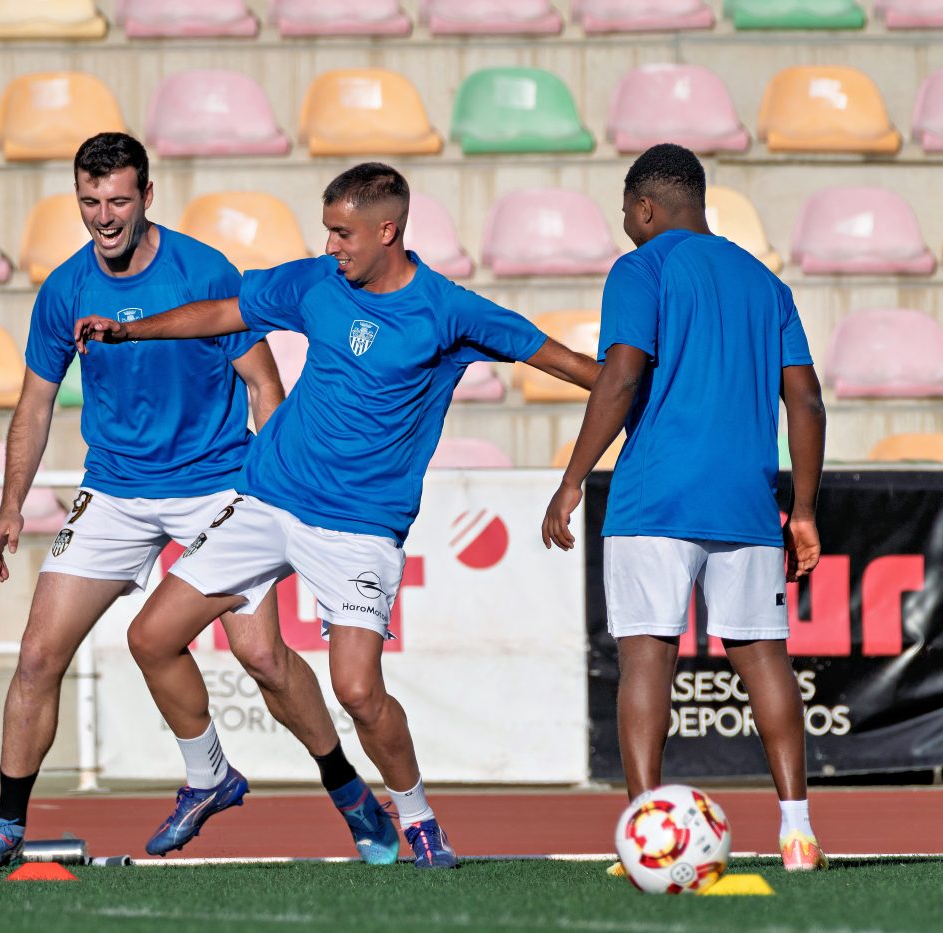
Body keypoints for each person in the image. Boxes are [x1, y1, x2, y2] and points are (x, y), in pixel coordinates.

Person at [75, 162, 600, 868]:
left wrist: (647, 395)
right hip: (269, 497)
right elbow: (226, 312)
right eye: (327, 231)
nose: (331, 246)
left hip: (358, 525)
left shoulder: (450, 312)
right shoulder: (317, 282)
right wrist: (130, 333)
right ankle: (210, 776)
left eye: (343, 233)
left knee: (358, 688)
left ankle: (416, 818)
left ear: (388, 230)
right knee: (150, 636)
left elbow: (574, 366)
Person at [0, 133, 382, 868]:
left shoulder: (203, 271)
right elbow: (35, 404)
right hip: (115, 491)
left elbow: (263, 384)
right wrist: (12, 505)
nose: (103, 216)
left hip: (217, 485)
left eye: (118, 200)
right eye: (90, 200)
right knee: (38, 654)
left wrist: (274, 488)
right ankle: (7, 822)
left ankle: (351, 792)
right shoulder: (65, 287)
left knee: (261, 654)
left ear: (147, 196)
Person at [540, 143, 829, 872]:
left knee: (647, 656)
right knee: (765, 658)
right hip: (747, 499)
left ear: (644, 207)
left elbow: (620, 375)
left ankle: (650, 832)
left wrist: (574, 476)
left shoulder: (641, 268)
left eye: (627, 214)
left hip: (655, 496)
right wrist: (803, 508)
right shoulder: (766, 284)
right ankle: (797, 832)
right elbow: (807, 399)